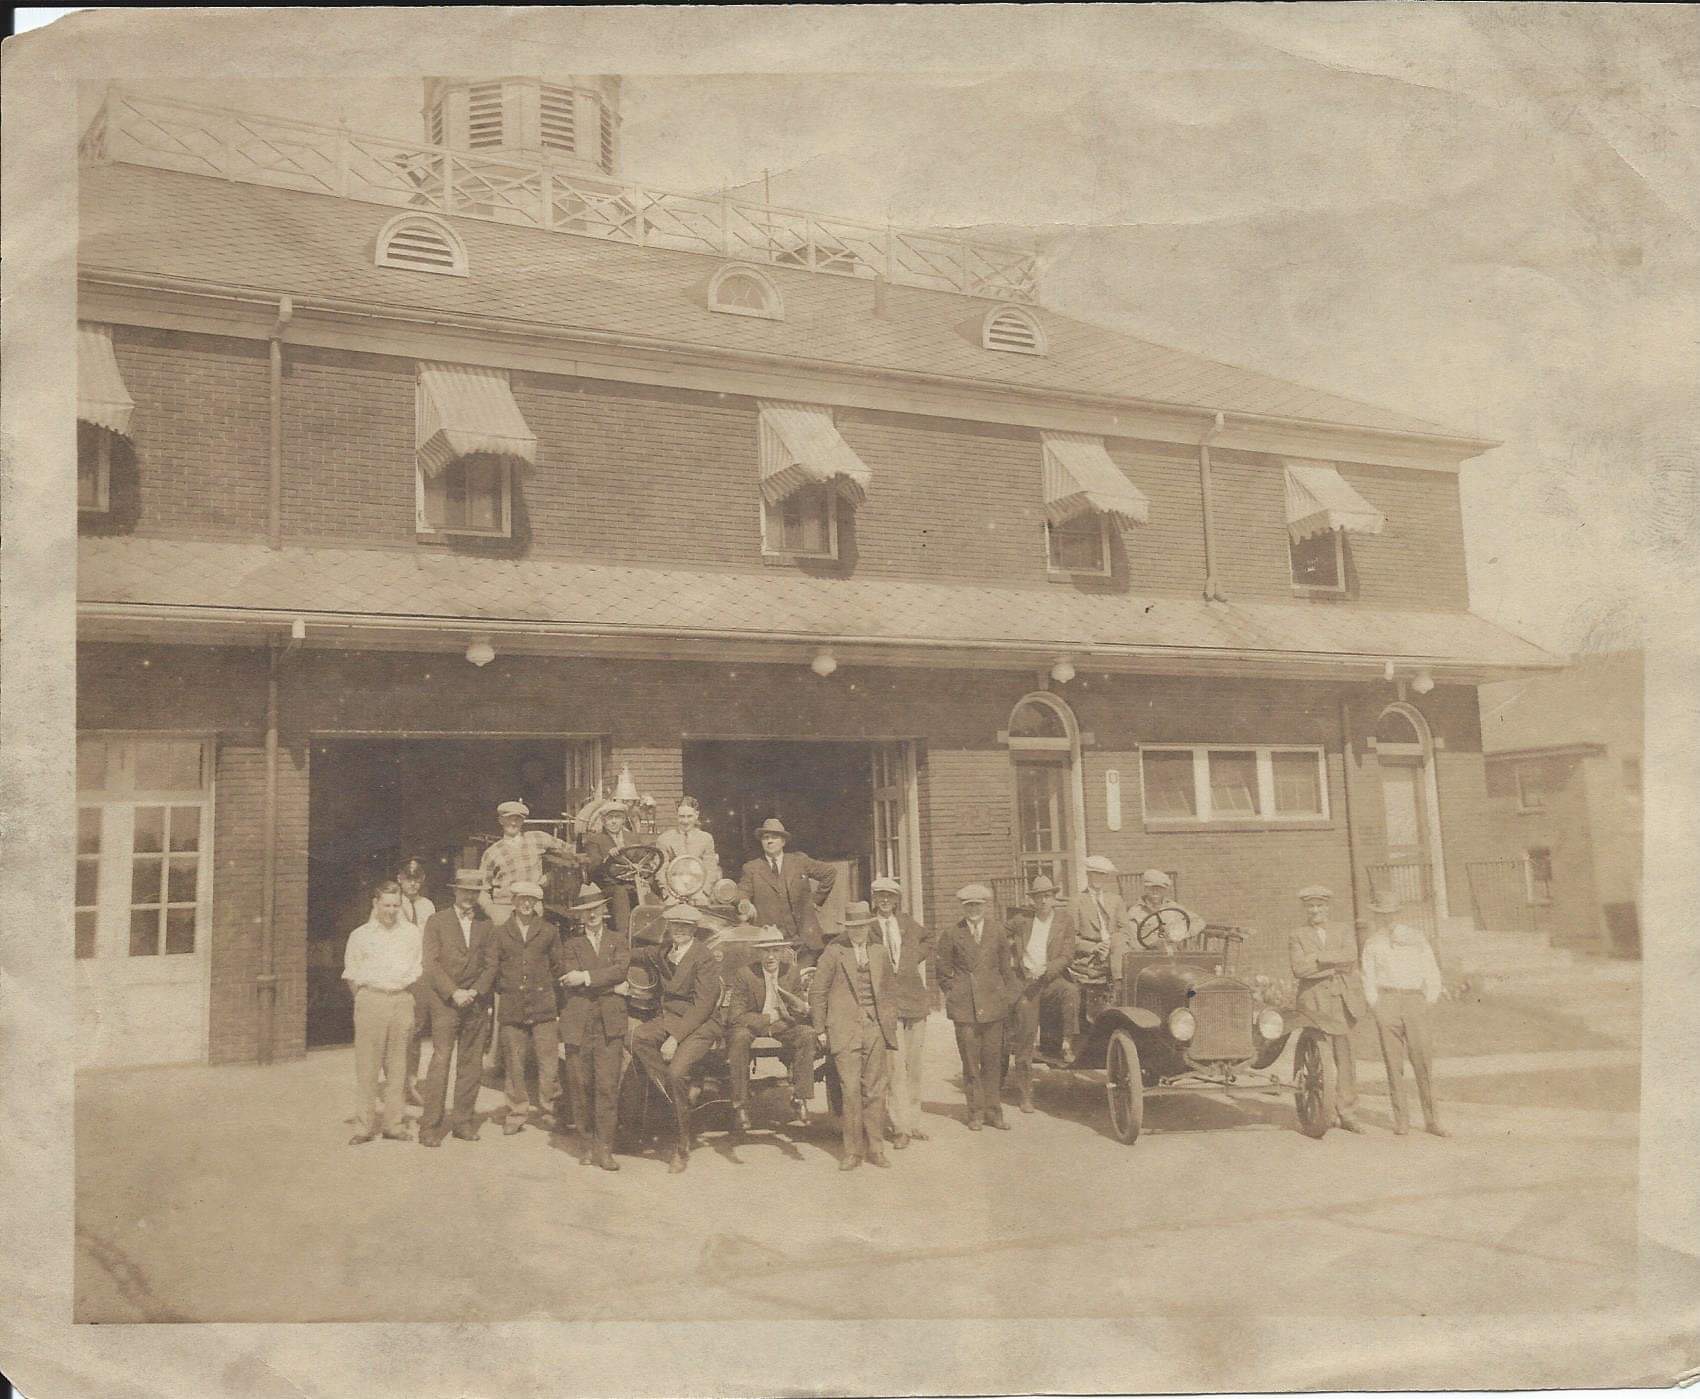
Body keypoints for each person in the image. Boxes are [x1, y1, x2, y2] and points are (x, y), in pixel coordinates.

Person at [629, 904, 723, 1173]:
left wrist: (674, 1038)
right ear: (669, 928)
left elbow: (703, 1006)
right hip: (672, 1018)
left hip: (701, 1023)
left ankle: (682, 1146)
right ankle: (675, 1095)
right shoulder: (663, 951)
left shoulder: (704, 957)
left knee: (675, 1073)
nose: (679, 930)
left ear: (694, 929)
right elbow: (634, 953)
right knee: (638, 1037)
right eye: (675, 925)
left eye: (685, 926)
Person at [810, 901, 898, 1170]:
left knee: (875, 1089)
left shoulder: (879, 951)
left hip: (874, 1028)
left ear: (868, 926)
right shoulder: (833, 952)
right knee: (850, 1090)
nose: (858, 931)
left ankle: (876, 1148)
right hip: (844, 1028)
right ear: (847, 928)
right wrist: (820, 1029)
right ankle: (852, 1151)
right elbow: (818, 992)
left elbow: (889, 992)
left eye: (862, 926)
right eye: (853, 927)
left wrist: (887, 1024)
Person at [416, 870, 496, 1147]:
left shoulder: (486, 924)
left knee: (471, 1064)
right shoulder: (437, 921)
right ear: (455, 891)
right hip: (445, 1003)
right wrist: (453, 992)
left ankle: (463, 1122)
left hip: (475, 1003)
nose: (469, 897)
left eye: (474, 892)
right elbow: (430, 963)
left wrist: (475, 991)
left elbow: (492, 964)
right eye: (465, 891)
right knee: (441, 1060)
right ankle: (430, 1127)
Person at [1362, 891, 1449, 1138]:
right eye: (1382, 914)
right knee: (1393, 1063)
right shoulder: (1372, 943)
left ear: (1398, 914)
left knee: (1423, 1061)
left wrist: (1428, 999)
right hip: (1387, 1001)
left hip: (1414, 1000)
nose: (1387, 919)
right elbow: (1368, 977)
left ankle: (1432, 1121)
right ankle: (1402, 1121)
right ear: (1376, 916)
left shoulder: (1417, 938)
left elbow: (1431, 970)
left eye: (1391, 914)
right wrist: (1376, 1005)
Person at [342, 880, 422, 1145]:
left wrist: (403, 998)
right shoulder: (360, 935)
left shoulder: (411, 934)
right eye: (386, 905)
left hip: (401, 1000)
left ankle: (393, 1125)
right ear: (375, 904)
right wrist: (365, 999)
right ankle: (364, 1127)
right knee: (367, 1067)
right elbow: (352, 974)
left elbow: (417, 968)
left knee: (398, 1068)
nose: (391, 911)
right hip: (371, 1000)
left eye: (396, 905)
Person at [557, 884, 630, 1170]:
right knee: (581, 1086)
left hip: (610, 1025)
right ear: (579, 915)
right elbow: (570, 980)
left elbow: (620, 970)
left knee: (607, 1087)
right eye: (586, 911)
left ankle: (604, 1149)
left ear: (604, 910)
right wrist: (612, 986)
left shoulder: (618, 940)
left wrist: (586, 977)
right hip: (579, 1024)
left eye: (596, 909)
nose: (591, 915)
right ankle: (586, 1145)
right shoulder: (571, 945)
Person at [934, 883, 1018, 1132]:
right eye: (969, 906)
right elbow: (942, 971)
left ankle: (994, 1112)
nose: (973, 910)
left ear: (985, 906)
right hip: (965, 1009)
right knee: (971, 1064)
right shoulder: (952, 933)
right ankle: (975, 1114)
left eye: (978, 905)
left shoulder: (997, 931)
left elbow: (1006, 969)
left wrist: (1007, 998)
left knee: (993, 1062)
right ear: (963, 907)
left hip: (993, 1006)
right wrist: (955, 993)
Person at [488, 880, 568, 1136]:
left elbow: (558, 967)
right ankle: (516, 1112)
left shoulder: (548, 931)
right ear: (513, 901)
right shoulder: (500, 932)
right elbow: (493, 967)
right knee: (514, 1063)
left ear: (536, 903)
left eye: (531, 900)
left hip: (544, 1006)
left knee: (549, 1063)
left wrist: (555, 999)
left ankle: (550, 1110)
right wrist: (507, 988)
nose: (526, 904)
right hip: (512, 1006)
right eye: (522, 899)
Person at [1288, 884, 1367, 1134]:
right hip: (1313, 1002)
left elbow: (1351, 957)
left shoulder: (1343, 930)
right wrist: (1334, 963)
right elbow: (1299, 969)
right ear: (1305, 909)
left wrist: (1318, 958)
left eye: (1319, 906)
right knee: (1320, 1054)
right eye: (1310, 906)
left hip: (1340, 999)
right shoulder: (1297, 935)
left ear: (1327, 907)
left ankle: (1348, 1112)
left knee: (1345, 1058)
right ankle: (1326, 1112)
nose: (1315, 910)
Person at [725, 931, 815, 1133]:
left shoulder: (791, 972)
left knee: (807, 1034)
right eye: (766, 951)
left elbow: (796, 1012)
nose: (771, 956)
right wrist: (768, 1018)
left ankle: (800, 1098)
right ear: (758, 954)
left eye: (775, 950)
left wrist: (800, 1009)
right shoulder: (745, 974)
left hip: (782, 1025)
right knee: (738, 1038)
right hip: (752, 1024)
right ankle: (740, 1105)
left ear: (783, 952)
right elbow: (736, 1016)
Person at [1006, 874, 1078, 1110]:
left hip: (1051, 979)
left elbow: (1067, 955)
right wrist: (1009, 957)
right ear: (1033, 900)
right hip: (1027, 984)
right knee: (1025, 1035)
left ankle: (1067, 1042)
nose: (1043, 901)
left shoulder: (1065, 920)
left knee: (1070, 991)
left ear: (1054, 898)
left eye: (1047, 896)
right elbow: (995, 935)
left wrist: (1046, 969)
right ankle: (1025, 1094)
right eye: (1039, 897)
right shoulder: (1022, 920)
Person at [870, 875, 933, 1148]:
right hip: (887, 1005)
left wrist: (912, 959)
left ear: (897, 900)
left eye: (890, 896)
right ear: (874, 899)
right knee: (894, 1067)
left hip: (914, 1001)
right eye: (881, 896)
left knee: (914, 1066)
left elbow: (929, 940)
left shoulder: (907, 923)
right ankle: (899, 1127)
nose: (885, 900)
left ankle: (912, 1121)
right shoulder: (869, 927)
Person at [477, 800, 574, 927]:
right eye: (509, 818)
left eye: (517, 819)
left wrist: (552, 876)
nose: (513, 823)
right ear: (501, 820)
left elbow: (571, 852)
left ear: (523, 821)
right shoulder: (492, 852)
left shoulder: (537, 838)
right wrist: (492, 911)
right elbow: (481, 889)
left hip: (533, 906)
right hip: (505, 908)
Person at [396, 856, 438, 1107]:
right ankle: (396, 1083)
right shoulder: (392, 903)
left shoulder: (427, 906)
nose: (412, 884)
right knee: (398, 1029)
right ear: (400, 879)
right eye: (408, 879)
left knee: (416, 1029)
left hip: (420, 974)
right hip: (398, 974)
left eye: (417, 880)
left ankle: (410, 1083)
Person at [583, 803, 642, 933]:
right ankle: (624, 936)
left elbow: (643, 858)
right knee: (620, 893)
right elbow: (592, 869)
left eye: (618, 817)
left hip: (633, 883)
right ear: (603, 821)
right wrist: (607, 858)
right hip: (608, 886)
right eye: (610, 818)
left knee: (650, 894)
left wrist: (641, 869)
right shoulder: (594, 840)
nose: (614, 821)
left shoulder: (633, 837)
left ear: (624, 820)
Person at [1079, 855, 1136, 983]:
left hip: (1116, 949)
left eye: (1102, 875)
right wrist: (1093, 947)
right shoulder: (1077, 901)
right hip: (1092, 953)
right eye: (1095, 874)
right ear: (1088, 874)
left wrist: (1112, 943)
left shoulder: (1116, 900)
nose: (1098, 878)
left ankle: (1118, 985)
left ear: (1106, 877)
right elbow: (1070, 937)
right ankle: (1119, 984)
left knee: (1119, 940)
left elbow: (1126, 930)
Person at [656, 796, 722, 890]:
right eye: (682, 816)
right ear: (676, 815)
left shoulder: (706, 839)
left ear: (696, 815)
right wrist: (667, 893)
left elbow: (710, 868)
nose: (685, 821)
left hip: (700, 889)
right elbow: (661, 870)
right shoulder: (665, 839)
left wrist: (704, 892)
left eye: (689, 816)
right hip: (674, 890)